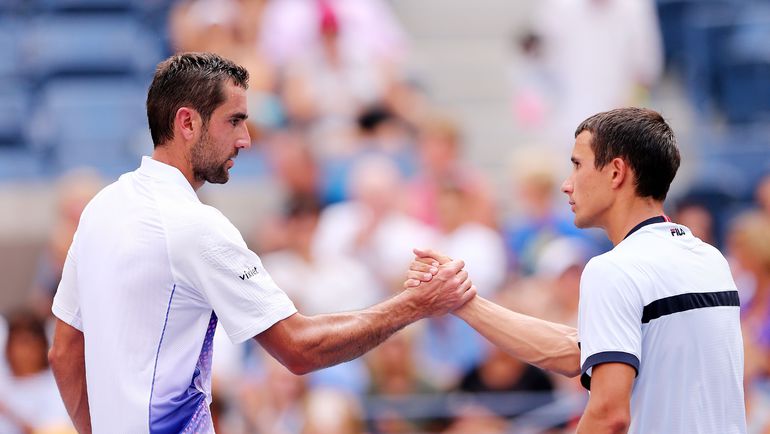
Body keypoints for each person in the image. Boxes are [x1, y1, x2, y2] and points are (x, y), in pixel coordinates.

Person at [47, 52, 475, 434]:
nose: (245, 140)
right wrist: (416, 304)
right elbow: (300, 348)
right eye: (234, 120)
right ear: (187, 122)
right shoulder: (196, 227)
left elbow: (63, 353)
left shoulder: (100, 208)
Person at [407, 107, 747, 433]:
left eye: (577, 165)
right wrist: (464, 302)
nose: (566, 185)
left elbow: (609, 416)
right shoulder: (710, 259)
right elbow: (578, 352)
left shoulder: (614, 270)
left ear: (616, 172)